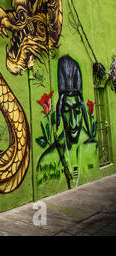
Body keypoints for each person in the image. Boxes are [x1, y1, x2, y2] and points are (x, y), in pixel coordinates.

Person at [37, 55, 98, 188]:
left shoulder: (93, 148)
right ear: (60, 112)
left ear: (82, 110)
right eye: (66, 111)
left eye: (77, 111)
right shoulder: (48, 159)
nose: (73, 123)